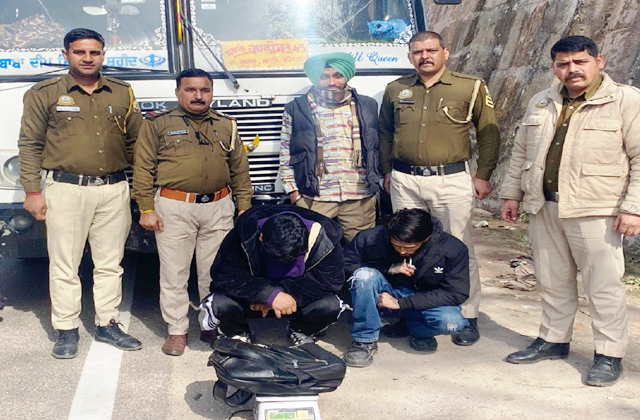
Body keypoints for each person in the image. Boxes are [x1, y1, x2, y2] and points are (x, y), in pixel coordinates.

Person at [500, 35, 640, 387]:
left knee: (602, 285)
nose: (572, 69)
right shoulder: (542, 101)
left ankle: (608, 354)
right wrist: (511, 195)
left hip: (597, 208)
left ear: (599, 61)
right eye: (563, 64)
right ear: (554, 67)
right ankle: (553, 339)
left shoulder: (625, 100)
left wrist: (633, 208)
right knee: (551, 278)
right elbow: (521, 152)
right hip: (545, 205)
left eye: (580, 62)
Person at [18, 28, 143, 359]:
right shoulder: (44, 93)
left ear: (103, 55)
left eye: (94, 52)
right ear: (66, 55)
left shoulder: (122, 92)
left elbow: (137, 142)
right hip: (66, 190)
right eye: (80, 52)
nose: (88, 58)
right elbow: (30, 144)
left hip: (113, 188)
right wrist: (32, 190)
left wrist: (143, 189)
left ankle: (108, 323)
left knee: (110, 264)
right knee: (65, 265)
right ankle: (66, 329)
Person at [378, 31, 501, 346]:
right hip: (405, 179)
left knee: (457, 247)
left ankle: (467, 315)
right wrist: (387, 170)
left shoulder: (470, 87)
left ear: (445, 52)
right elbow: (385, 134)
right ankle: (411, 314)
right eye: (417, 51)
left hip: (450, 178)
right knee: (407, 247)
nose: (425, 56)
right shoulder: (396, 89)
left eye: (431, 50)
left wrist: (483, 174)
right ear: (410, 56)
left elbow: (488, 133)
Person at [132, 68, 252, 356]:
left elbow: (239, 169)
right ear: (178, 92)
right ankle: (176, 330)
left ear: (211, 93)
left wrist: (244, 207)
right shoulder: (157, 123)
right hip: (174, 207)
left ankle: (212, 325)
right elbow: (143, 168)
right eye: (190, 90)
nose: (198, 96)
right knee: (174, 273)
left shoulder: (226, 124)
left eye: (204, 90)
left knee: (215, 272)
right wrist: (146, 207)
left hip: (219, 206)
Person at [343, 208, 470, 367]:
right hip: (384, 294)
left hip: (423, 298)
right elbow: (345, 266)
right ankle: (364, 340)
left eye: (410, 247)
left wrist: (401, 303)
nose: (402, 251)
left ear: (427, 238)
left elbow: (456, 293)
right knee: (364, 276)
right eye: (396, 245)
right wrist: (388, 269)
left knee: (452, 323)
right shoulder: (369, 237)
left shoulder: (453, 248)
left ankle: (417, 330)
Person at [201, 205, 346, 345]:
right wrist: (267, 295)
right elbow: (224, 274)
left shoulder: (324, 238)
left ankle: (301, 330)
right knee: (220, 303)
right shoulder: (244, 234)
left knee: (330, 306)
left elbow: (330, 281)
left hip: (294, 300)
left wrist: (281, 295)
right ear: (261, 237)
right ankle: (238, 332)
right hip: (253, 301)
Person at [279, 53, 381, 242]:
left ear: (347, 76)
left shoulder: (367, 105)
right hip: (315, 198)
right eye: (324, 76)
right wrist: (293, 193)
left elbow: (377, 146)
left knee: (362, 250)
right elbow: (286, 152)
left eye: (338, 75)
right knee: (312, 250)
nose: (331, 82)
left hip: (359, 197)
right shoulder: (297, 108)